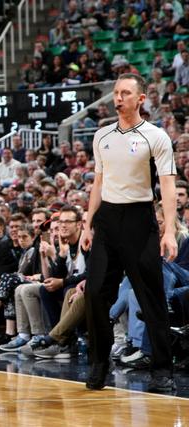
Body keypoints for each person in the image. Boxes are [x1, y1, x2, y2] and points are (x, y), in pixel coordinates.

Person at [81, 73, 177, 393]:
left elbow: (167, 186)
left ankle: (162, 367)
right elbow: (98, 182)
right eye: (115, 92)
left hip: (140, 219)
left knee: (151, 297)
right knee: (94, 292)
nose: (118, 98)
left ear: (141, 99)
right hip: (107, 219)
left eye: (125, 93)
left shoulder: (156, 136)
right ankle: (99, 363)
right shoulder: (101, 135)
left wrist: (170, 231)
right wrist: (87, 223)